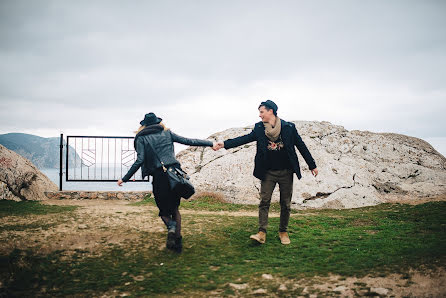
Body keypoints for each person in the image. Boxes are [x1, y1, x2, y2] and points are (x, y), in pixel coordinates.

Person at [214, 100, 318, 245]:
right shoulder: (259, 128)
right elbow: (244, 139)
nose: (259, 115)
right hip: (268, 172)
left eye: (261, 112)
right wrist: (224, 144)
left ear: (271, 111)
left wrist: (312, 165)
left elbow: (301, 146)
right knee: (264, 201)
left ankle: (283, 231)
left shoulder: (289, 127)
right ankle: (262, 232)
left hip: (286, 171)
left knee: (285, 203)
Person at [117, 112, 219, 252]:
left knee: (164, 212)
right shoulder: (167, 133)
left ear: (144, 125)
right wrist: (211, 143)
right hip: (174, 175)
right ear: (158, 122)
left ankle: (170, 226)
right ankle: (178, 245)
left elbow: (140, 160)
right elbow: (189, 141)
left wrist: (125, 178)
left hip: (159, 177)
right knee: (175, 209)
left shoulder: (141, 138)